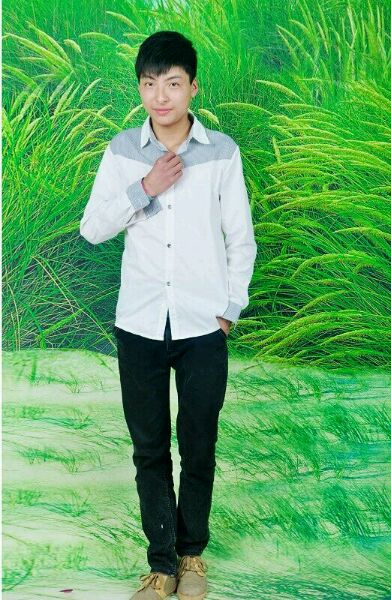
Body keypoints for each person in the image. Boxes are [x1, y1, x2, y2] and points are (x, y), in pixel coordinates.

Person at [80, 30, 257, 600]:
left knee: (198, 444)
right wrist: (144, 188)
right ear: (140, 88)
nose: (161, 96)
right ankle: (161, 566)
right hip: (139, 323)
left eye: (173, 83)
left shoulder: (222, 152)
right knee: (149, 448)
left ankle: (192, 557)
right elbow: (92, 228)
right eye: (150, 84)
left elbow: (241, 237)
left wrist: (228, 311)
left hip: (203, 325)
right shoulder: (122, 152)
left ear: (193, 87)